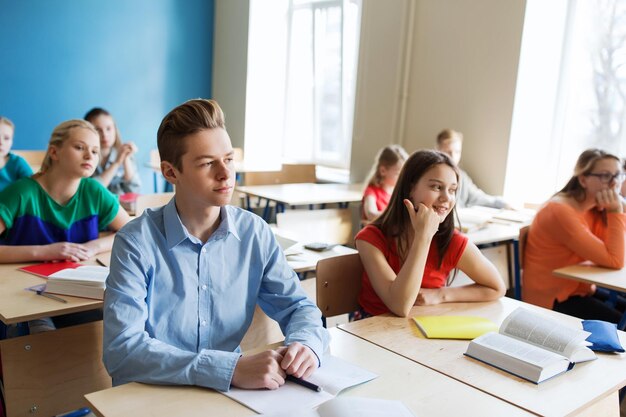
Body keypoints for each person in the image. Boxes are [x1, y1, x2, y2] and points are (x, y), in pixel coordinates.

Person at [103, 99, 329, 392]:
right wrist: (229, 369)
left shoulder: (254, 233)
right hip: (152, 394)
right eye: (208, 163)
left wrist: (306, 345)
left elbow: (298, 307)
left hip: (229, 394)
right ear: (171, 173)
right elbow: (123, 351)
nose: (225, 174)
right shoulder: (136, 242)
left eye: (229, 159)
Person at [0, 119, 130, 332]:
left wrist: (93, 246)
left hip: (76, 292)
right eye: (80, 147)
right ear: (54, 152)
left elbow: (131, 232)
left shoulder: (94, 191)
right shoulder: (21, 193)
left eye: (95, 151)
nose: (90, 156)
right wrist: (44, 251)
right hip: (23, 297)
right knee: (39, 335)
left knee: (113, 325)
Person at [355, 149, 506, 318]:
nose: (446, 198)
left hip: (423, 333)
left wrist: (441, 295)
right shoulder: (371, 239)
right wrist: (423, 236)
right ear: (410, 188)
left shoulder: (451, 241)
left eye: (452, 190)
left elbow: (497, 287)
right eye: (436, 187)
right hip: (371, 334)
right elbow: (400, 305)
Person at [523, 149, 625, 322]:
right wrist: (616, 210)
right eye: (605, 176)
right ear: (583, 179)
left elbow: (615, 249)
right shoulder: (560, 212)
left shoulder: (594, 208)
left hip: (580, 289)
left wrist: (617, 206)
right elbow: (615, 260)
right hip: (552, 299)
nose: (614, 184)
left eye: (618, 175)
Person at [436, 129, 510, 209]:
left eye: (457, 152)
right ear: (438, 150)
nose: (453, 157)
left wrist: (503, 204)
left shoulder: (462, 176)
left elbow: (478, 197)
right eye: (448, 152)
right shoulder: (432, 175)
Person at [84, 108, 141, 195]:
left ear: (115, 130)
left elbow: (134, 191)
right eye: (98, 130)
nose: (104, 134)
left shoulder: (125, 154)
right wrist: (117, 163)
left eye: (108, 128)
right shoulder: (84, 158)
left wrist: (125, 159)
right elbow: (92, 192)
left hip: (121, 207)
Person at [362, 145, 409, 221]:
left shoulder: (396, 193)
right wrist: (396, 216)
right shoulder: (371, 191)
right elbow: (371, 214)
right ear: (383, 171)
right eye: (398, 174)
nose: (402, 178)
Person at [0, 116, 33, 191]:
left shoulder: (18, 163)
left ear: (12, 141)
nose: (1, 142)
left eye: (6, 138)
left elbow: (33, 186)